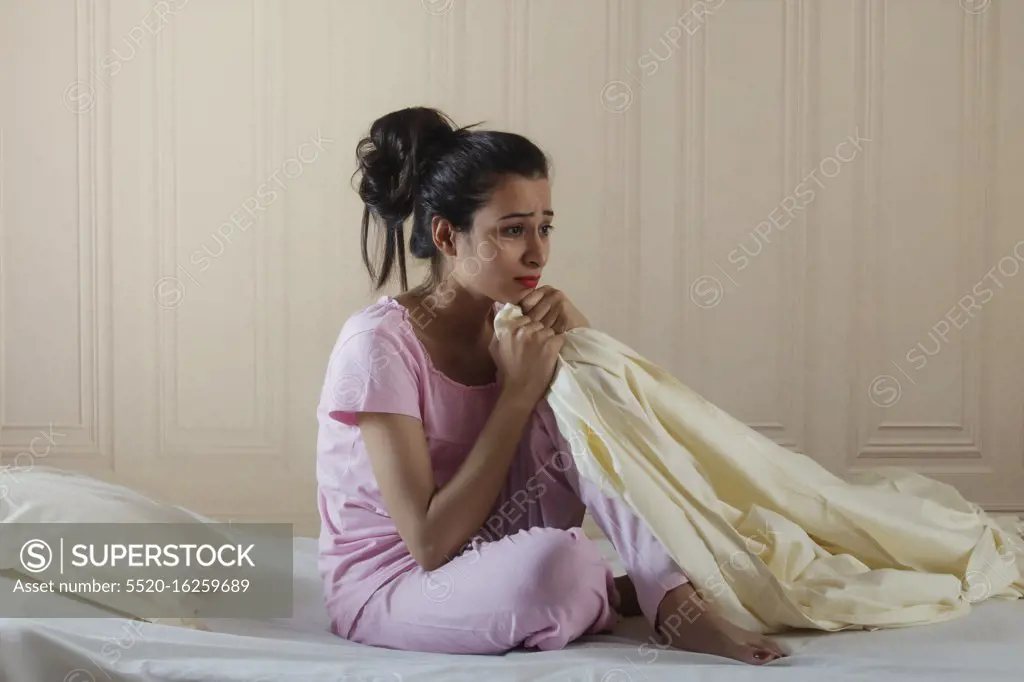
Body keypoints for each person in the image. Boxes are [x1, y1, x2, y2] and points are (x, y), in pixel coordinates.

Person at [315, 106, 788, 664]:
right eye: (512, 230)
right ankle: (609, 592)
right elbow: (429, 544)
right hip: (395, 586)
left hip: (492, 549)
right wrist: (517, 393)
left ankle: (671, 599)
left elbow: (612, 442)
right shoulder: (377, 346)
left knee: (578, 390)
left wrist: (579, 347)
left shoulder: (513, 328)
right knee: (557, 566)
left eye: (545, 226)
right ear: (446, 235)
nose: (538, 252)